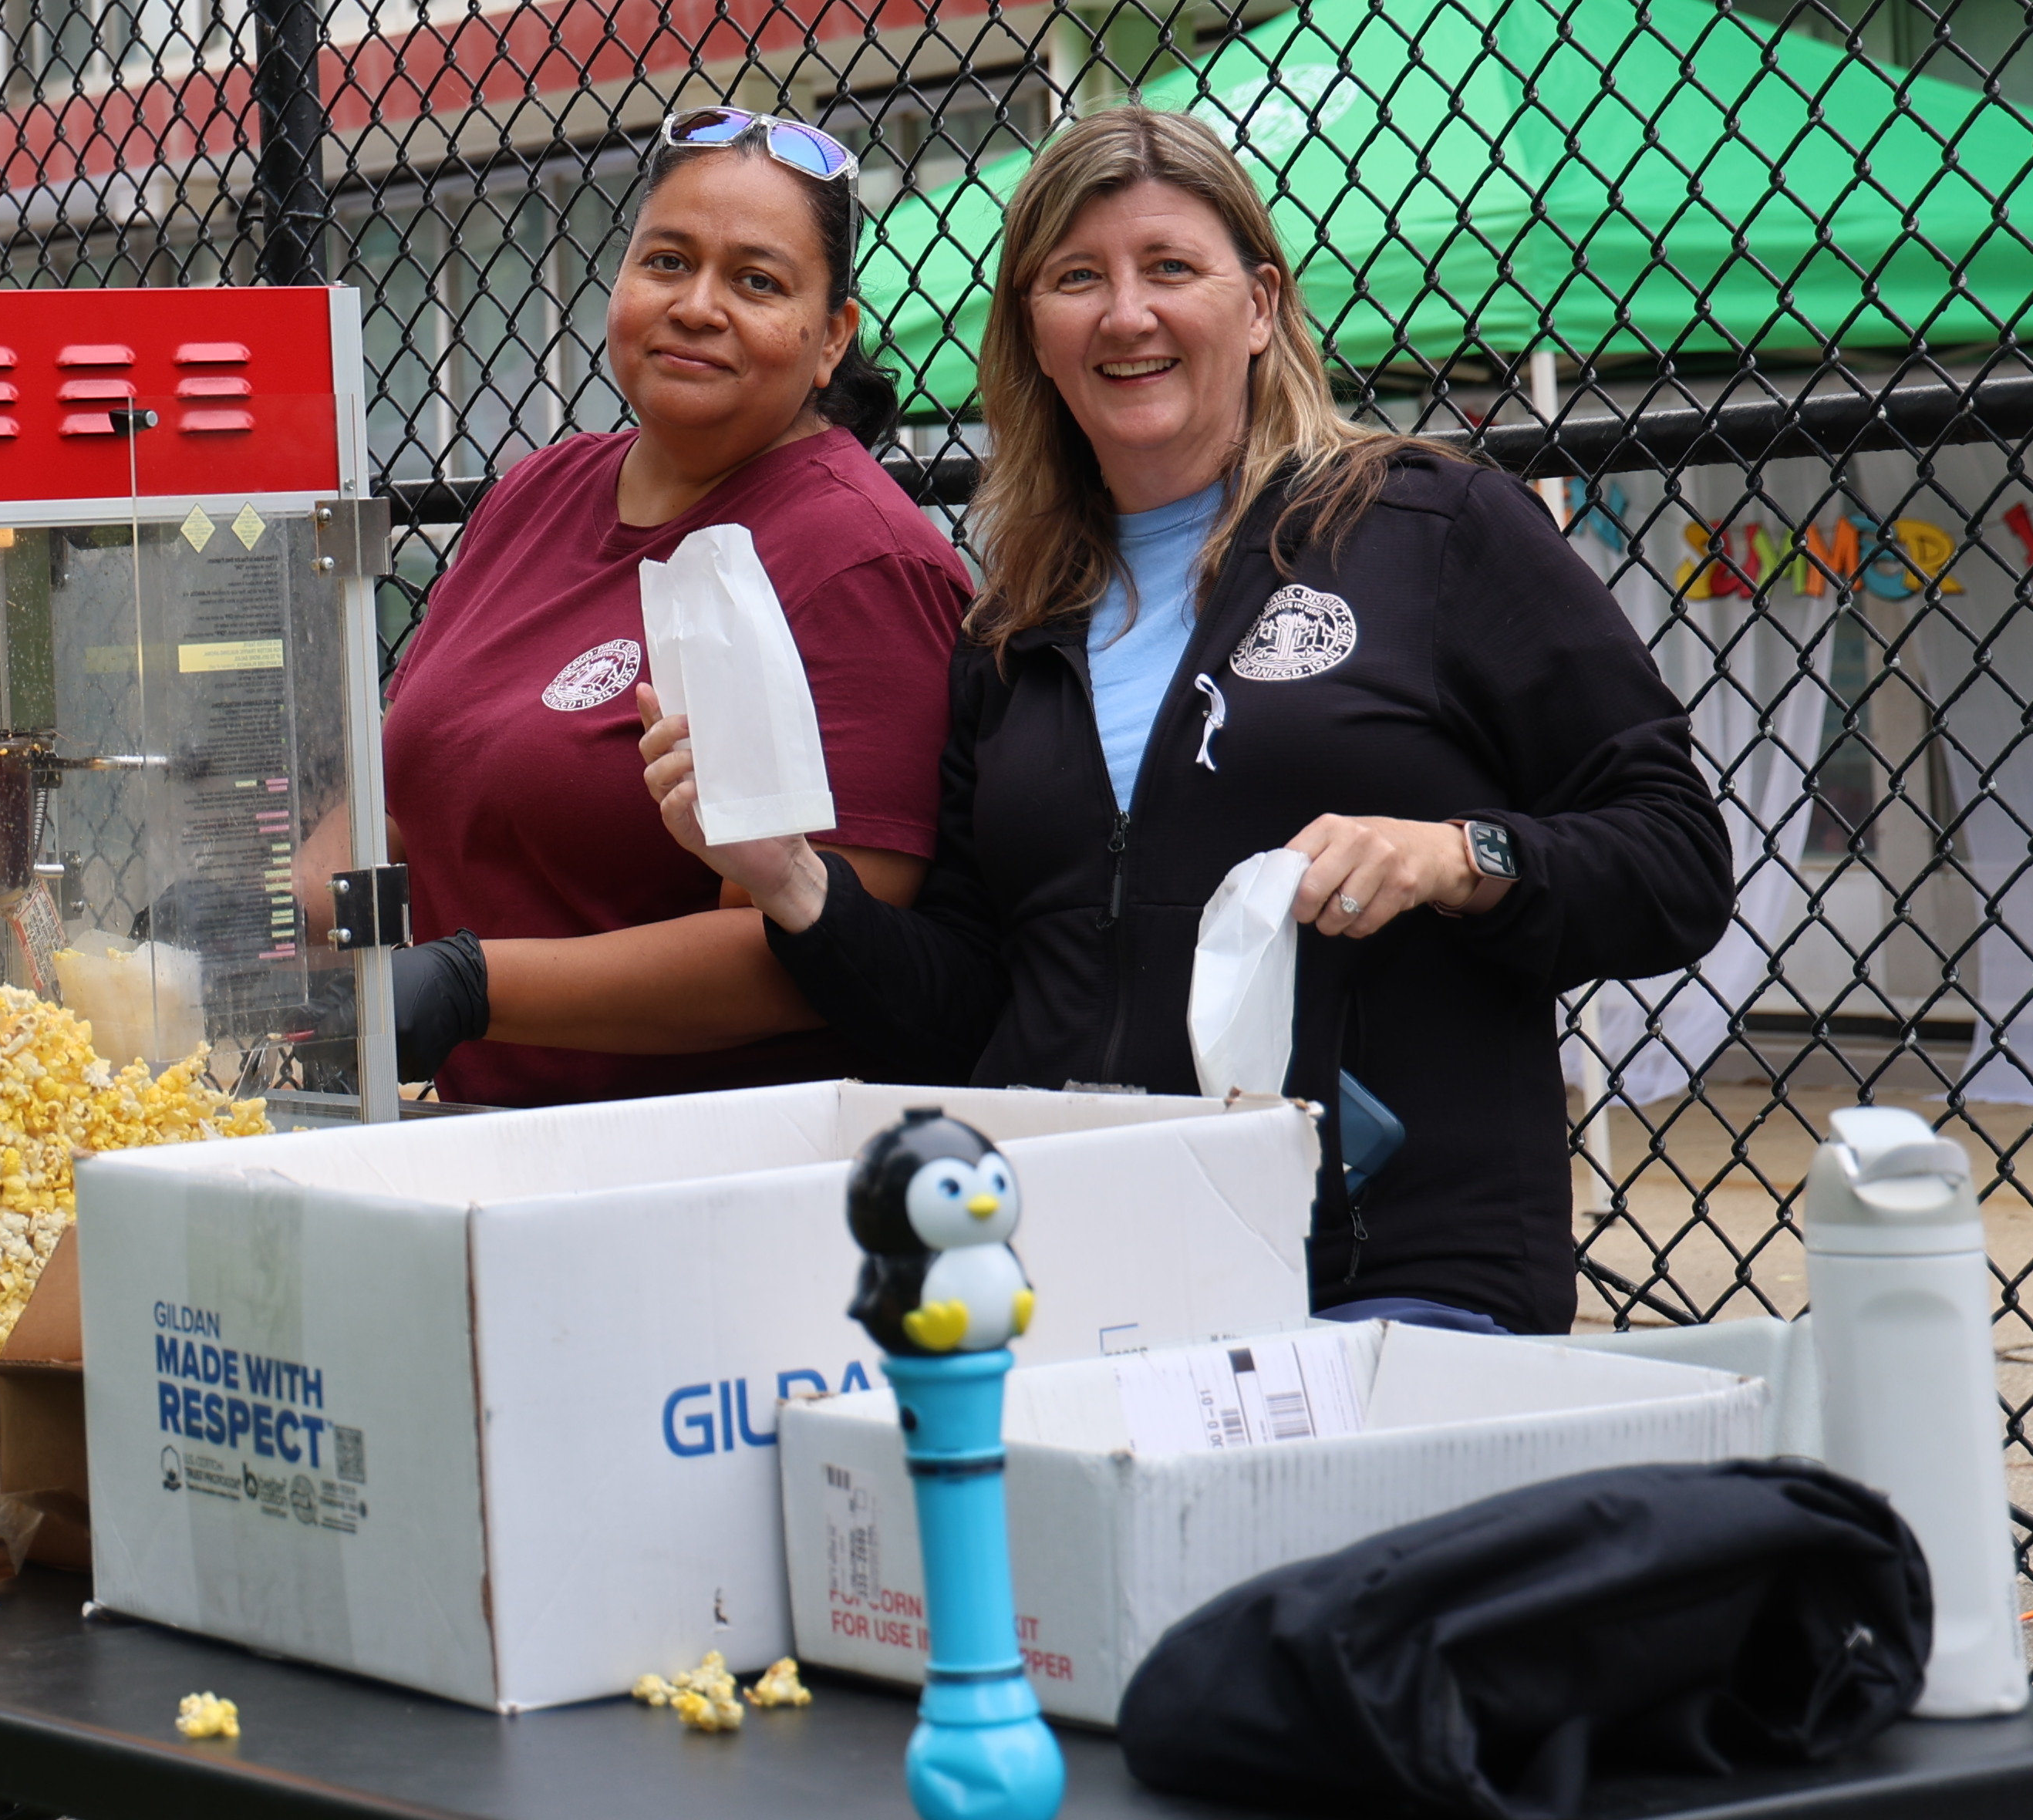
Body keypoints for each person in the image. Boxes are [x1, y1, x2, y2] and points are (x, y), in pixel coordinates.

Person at [659, 106, 1725, 1332]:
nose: (1126, 314)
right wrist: (793, 883)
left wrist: (1458, 856)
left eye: (1171, 268)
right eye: (1078, 279)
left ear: (1260, 307)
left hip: (1388, 1277)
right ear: (1037, 339)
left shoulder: (1428, 527)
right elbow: (966, 1002)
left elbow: (1678, 858)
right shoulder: (1013, 631)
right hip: (1091, 1269)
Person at [366, 104, 967, 1103]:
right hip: (467, 1135)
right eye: (667, 261)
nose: (697, 305)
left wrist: (475, 986)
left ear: (832, 338)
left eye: (757, 282)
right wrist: (262, 910)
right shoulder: (536, 493)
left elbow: (806, 955)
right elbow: (417, 786)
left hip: (694, 1172)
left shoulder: (855, 558)